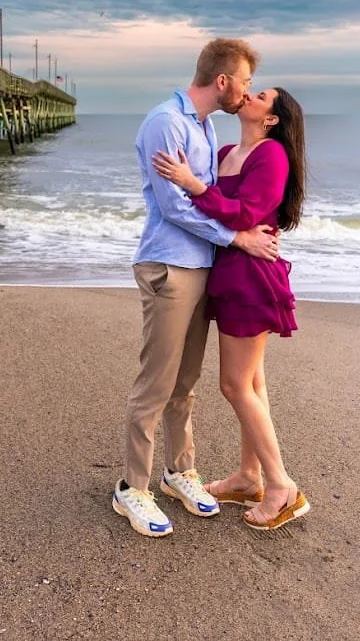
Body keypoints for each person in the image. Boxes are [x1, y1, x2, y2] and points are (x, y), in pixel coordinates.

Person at [113, 39, 280, 538]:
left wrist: (236, 234)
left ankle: (179, 472)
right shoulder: (166, 121)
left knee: (185, 383)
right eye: (246, 82)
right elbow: (174, 208)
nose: (247, 92)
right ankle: (132, 488)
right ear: (223, 81)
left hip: (201, 266)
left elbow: (212, 198)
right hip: (170, 264)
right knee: (156, 384)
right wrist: (237, 238)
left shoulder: (205, 127)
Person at [151, 85, 310, 530]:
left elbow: (245, 213)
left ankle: (281, 487)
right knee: (252, 382)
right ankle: (248, 477)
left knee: (234, 385)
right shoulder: (224, 150)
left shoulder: (271, 155)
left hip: (252, 276)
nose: (250, 94)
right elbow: (216, 215)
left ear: (271, 118)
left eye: (260, 94)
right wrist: (196, 188)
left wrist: (194, 185)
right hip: (228, 269)